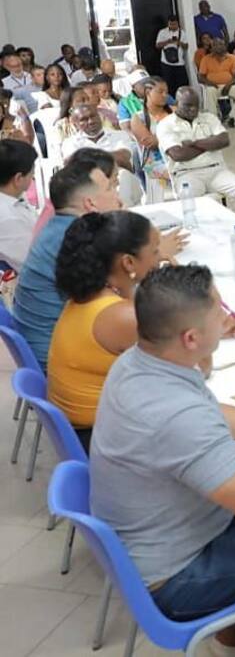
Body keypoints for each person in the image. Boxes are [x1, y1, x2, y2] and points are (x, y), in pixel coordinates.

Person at [90, 264, 235, 657]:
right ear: (191, 337)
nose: (226, 317)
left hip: (151, 544)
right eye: (218, 311)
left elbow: (210, 413)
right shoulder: (175, 414)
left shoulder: (137, 363)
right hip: (177, 577)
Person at [12, 150, 160, 369]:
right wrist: (151, 252)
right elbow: (126, 300)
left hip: (49, 344)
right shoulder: (77, 241)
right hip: (56, 357)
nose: (118, 197)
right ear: (90, 203)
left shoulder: (60, 225)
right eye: (110, 188)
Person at [47, 211, 161, 448]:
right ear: (128, 262)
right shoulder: (122, 317)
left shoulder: (88, 296)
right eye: (155, 251)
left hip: (79, 431)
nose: (160, 259)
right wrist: (204, 300)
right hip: (105, 441)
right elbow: (194, 367)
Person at [156, 87, 235, 213]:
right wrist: (210, 143)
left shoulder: (209, 118)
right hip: (186, 173)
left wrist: (193, 144)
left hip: (216, 170)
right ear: (177, 103)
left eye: (196, 105)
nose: (193, 109)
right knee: (188, 196)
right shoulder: (166, 124)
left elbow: (224, 140)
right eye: (188, 105)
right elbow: (178, 154)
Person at [62, 104, 143, 206]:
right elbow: (71, 165)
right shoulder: (70, 143)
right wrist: (110, 158)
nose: (91, 121)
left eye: (93, 116)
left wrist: (85, 158)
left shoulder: (119, 135)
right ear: (75, 124)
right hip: (89, 183)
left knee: (123, 175)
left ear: (100, 116)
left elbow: (123, 158)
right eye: (84, 119)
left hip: (119, 179)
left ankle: (122, 211)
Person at [127, 76, 174, 199]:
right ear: (148, 92)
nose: (165, 95)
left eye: (166, 92)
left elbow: (188, 135)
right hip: (155, 162)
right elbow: (151, 145)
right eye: (160, 92)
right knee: (179, 170)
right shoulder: (138, 118)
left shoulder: (174, 112)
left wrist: (158, 138)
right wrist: (176, 136)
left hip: (178, 156)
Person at [0, 139, 38, 269]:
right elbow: (32, 261)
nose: (33, 177)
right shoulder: (9, 218)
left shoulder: (13, 197)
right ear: (18, 178)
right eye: (32, 173)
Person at [197, 38, 235, 126]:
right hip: (212, 86)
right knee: (209, 91)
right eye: (215, 45)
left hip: (229, 85)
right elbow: (200, 77)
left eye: (220, 44)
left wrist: (228, 85)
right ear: (212, 48)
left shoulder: (233, 58)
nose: (218, 47)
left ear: (225, 46)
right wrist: (211, 84)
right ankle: (214, 120)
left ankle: (231, 117)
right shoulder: (206, 59)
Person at [155, 15, 190, 94]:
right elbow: (157, 45)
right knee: (168, 85)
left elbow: (186, 46)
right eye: (171, 24)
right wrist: (167, 41)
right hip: (166, 63)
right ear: (168, 23)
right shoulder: (162, 32)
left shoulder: (182, 33)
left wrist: (179, 42)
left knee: (183, 84)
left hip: (179, 63)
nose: (173, 26)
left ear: (178, 23)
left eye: (174, 24)